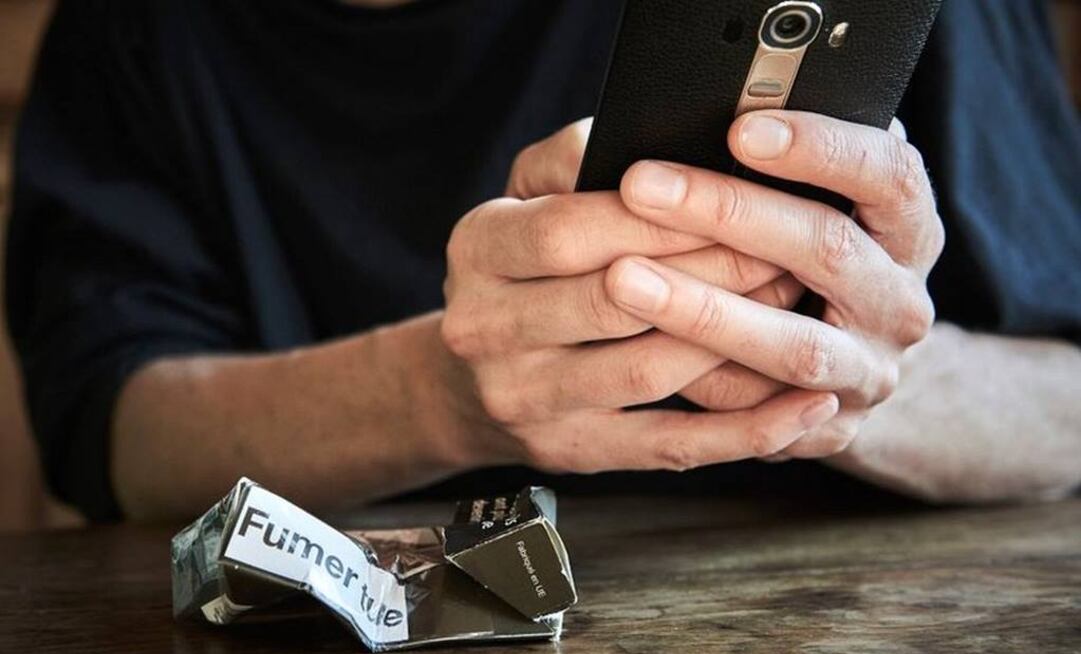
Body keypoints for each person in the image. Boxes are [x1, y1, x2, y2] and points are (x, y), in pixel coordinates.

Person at [6, 0, 1080, 522]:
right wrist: (444, 395)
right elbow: (108, 432)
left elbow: (1065, 406)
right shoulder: (135, 28)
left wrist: (820, 369)